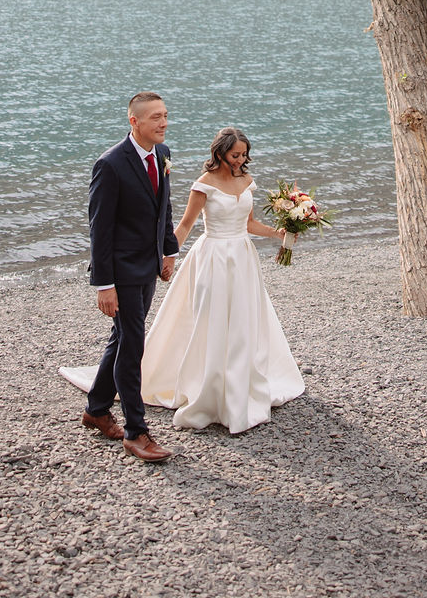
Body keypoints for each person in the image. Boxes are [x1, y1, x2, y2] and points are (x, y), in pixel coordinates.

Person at [140, 127, 305, 434]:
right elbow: (186, 225)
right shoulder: (203, 185)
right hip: (213, 256)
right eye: (235, 155)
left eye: (244, 155)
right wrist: (168, 256)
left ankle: (240, 386)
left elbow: (250, 223)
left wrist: (279, 234)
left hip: (242, 257)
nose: (241, 160)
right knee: (211, 320)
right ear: (219, 154)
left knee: (243, 321)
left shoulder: (246, 181)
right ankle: (209, 390)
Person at [82, 91, 179, 463]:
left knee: (122, 336)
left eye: (165, 115)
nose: (163, 122)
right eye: (155, 117)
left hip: (149, 265)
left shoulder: (163, 154)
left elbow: (163, 207)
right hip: (120, 271)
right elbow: (99, 229)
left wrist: (167, 251)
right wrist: (104, 285)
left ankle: (96, 409)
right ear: (134, 122)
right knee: (134, 343)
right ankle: (137, 432)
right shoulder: (110, 164)